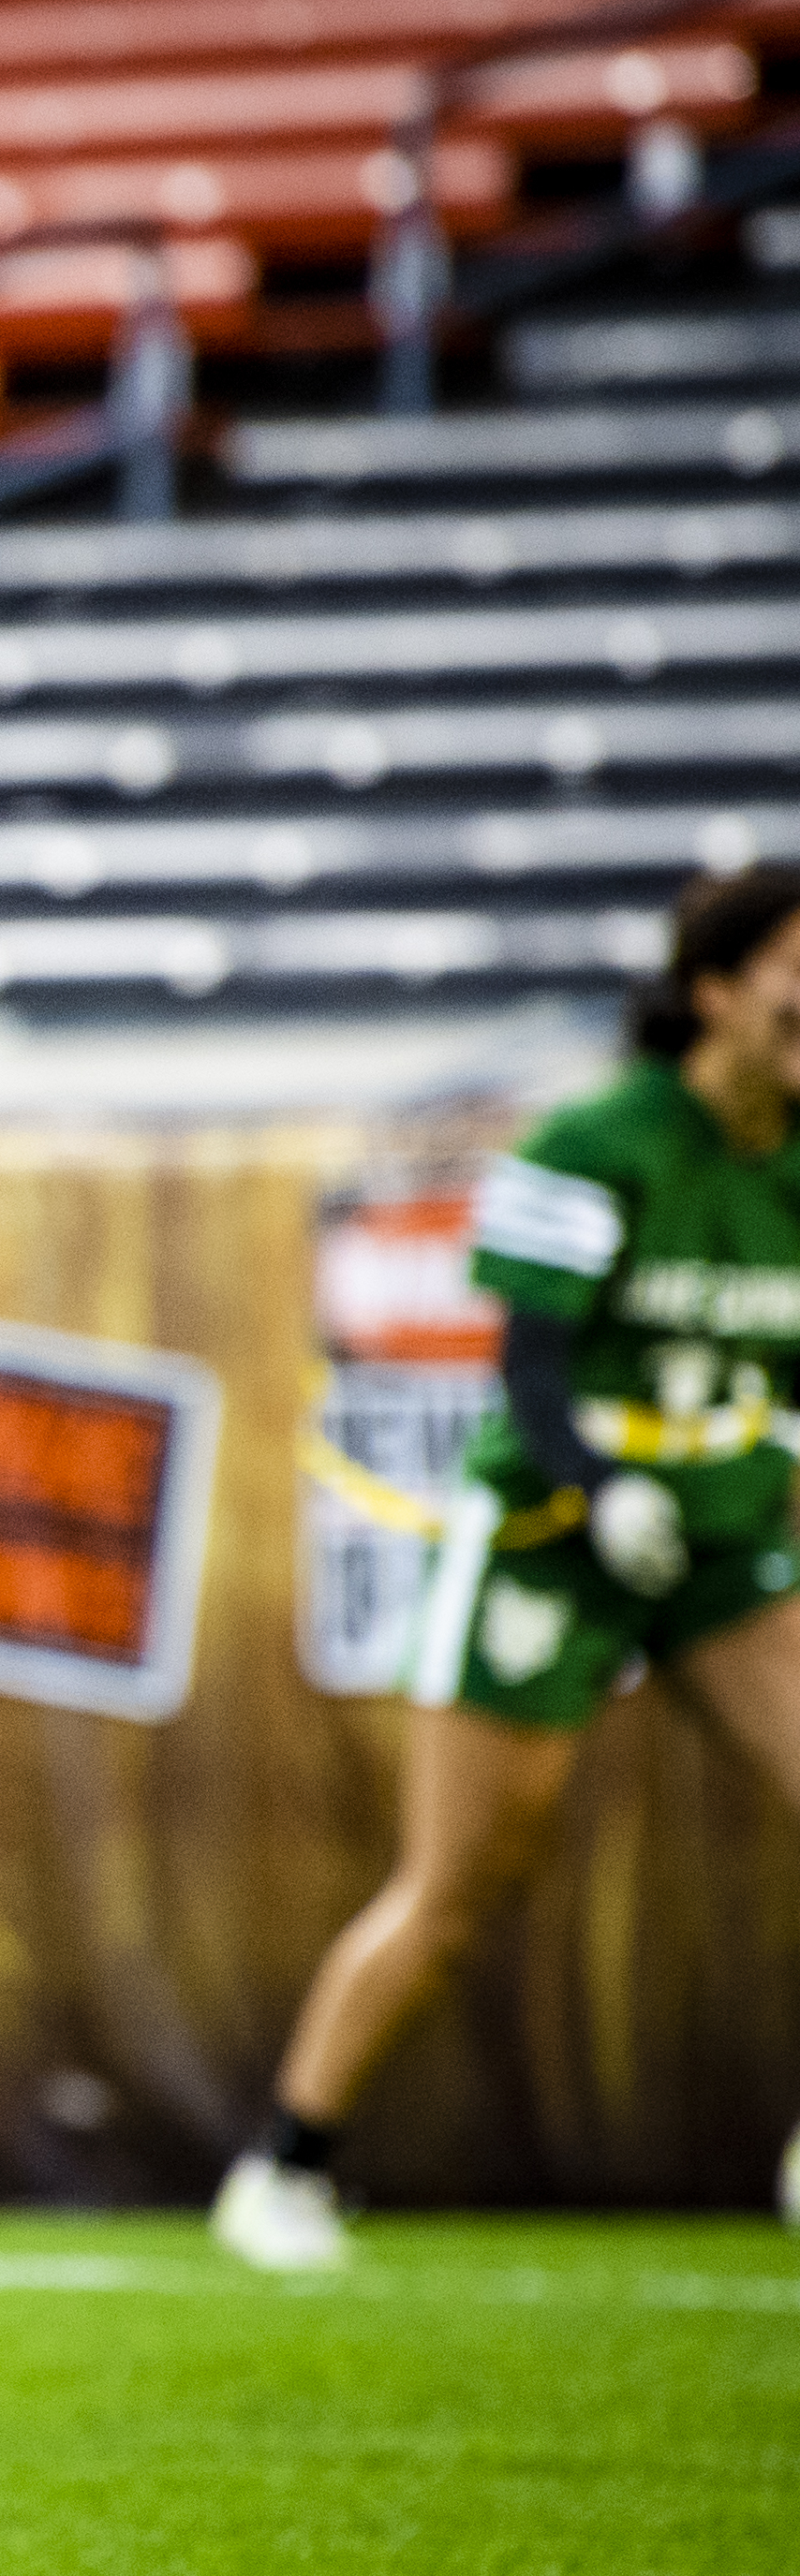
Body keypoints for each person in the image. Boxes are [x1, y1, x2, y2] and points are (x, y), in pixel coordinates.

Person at [219, 865, 800, 2270]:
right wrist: (601, 1495)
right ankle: (286, 2166)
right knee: (462, 1880)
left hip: (726, 1528)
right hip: (558, 1534)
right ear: (715, 989)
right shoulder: (598, 1141)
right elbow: (528, 1364)